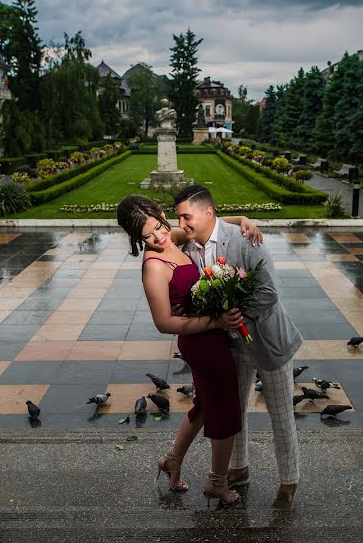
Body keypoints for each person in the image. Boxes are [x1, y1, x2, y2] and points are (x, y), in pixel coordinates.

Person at [116, 195, 263, 506]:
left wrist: (243, 221)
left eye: (158, 226)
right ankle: (216, 483)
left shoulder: (173, 236)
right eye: (147, 236)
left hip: (211, 334)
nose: (158, 237)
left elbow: (211, 223)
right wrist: (214, 321)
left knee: (205, 406)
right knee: (224, 409)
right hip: (200, 342)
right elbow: (164, 323)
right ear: (136, 238)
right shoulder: (154, 268)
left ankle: (172, 459)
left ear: (161, 216)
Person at [173, 185, 303, 511]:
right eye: (179, 217)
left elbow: (269, 292)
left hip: (269, 341)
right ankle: (238, 469)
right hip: (230, 345)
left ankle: (288, 482)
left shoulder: (246, 238)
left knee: (281, 417)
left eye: (186, 216)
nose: (182, 223)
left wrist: (236, 314)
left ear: (208, 212)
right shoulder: (187, 246)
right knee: (235, 413)